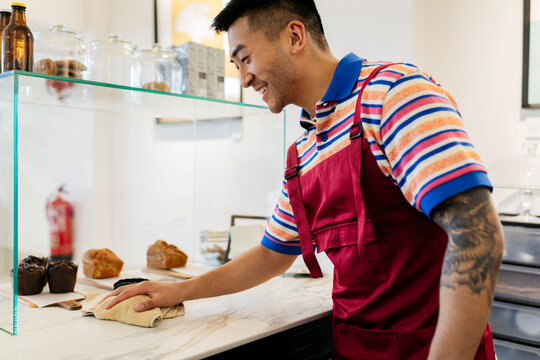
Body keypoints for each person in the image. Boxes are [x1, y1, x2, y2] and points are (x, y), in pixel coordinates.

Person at [104, 1, 504, 358]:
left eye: (245, 58)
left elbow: (478, 235)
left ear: (294, 36)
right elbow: (272, 253)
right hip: (352, 348)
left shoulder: (393, 94)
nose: (244, 79)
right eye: (235, 66)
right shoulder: (304, 150)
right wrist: (178, 290)